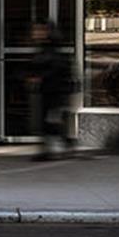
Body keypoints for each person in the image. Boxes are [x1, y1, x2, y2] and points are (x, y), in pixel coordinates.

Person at [29, 21, 74, 160]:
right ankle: (61, 144)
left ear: (46, 32)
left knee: (50, 120)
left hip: (55, 90)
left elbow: (55, 68)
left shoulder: (51, 49)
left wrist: (40, 77)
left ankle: (55, 147)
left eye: (38, 30)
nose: (34, 33)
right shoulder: (44, 48)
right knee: (48, 120)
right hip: (48, 90)